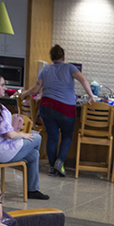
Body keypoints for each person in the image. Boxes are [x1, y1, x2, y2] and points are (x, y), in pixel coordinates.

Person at [22, 44, 97, 177]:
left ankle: (52, 167)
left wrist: (23, 94)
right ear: (63, 56)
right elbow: (83, 80)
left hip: (47, 107)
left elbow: (35, 89)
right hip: (66, 109)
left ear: (51, 58)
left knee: (52, 137)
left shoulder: (45, 70)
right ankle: (60, 162)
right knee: (67, 136)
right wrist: (91, 95)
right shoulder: (70, 68)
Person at [0, 72, 49, 200]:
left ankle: (32, 189)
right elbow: (9, 135)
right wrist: (23, 135)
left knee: (33, 155)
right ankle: (31, 188)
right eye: (2, 85)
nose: (5, 88)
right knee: (37, 138)